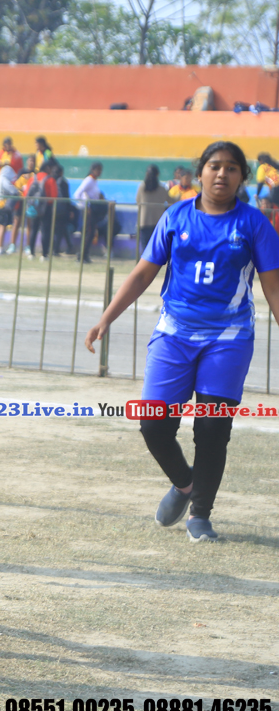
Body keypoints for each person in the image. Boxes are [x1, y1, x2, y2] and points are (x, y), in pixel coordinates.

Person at [85, 141, 279, 543]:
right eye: (214, 166)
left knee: (212, 429)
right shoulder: (175, 216)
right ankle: (186, 483)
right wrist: (106, 317)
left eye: (231, 168)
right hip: (173, 334)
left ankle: (200, 515)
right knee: (153, 424)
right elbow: (143, 273)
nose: (222, 174)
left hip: (228, 338)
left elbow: (273, 288)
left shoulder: (255, 224)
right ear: (200, 171)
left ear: (242, 177)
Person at [24, 160, 57, 260]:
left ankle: (31, 253)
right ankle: (44, 254)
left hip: (34, 207)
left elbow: (26, 194)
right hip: (46, 208)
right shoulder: (50, 179)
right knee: (45, 231)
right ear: (48, 168)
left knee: (33, 229)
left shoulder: (33, 178)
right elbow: (54, 196)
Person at [74, 162, 106, 263]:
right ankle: (82, 255)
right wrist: (86, 206)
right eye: (98, 169)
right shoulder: (89, 180)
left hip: (93, 211)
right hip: (88, 211)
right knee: (89, 233)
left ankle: (85, 255)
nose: (99, 172)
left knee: (91, 233)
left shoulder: (94, 181)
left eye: (100, 170)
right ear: (93, 170)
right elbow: (77, 194)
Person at [136, 164, 170, 253]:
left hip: (144, 221)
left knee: (145, 248)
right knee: (157, 248)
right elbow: (171, 201)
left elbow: (137, 200)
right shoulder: (162, 188)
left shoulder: (142, 187)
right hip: (158, 221)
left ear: (146, 174)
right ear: (158, 174)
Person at [0, 162, 19, 255]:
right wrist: (17, 190)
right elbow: (12, 190)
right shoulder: (4, 179)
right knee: (2, 226)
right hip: (3, 204)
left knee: (1, 227)